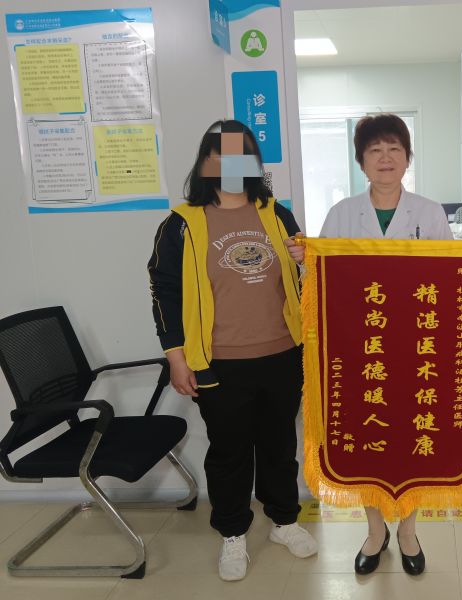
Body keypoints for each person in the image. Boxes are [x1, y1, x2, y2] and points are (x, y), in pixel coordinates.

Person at [148, 119, 317, 582]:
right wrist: (176, 357)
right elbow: (164, 292)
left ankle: (283, 521)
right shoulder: (181, 224)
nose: (230, 164)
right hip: (218, 360)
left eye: (241, 154)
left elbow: (305, 281)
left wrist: (308, 261)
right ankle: (232, 533)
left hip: (282, 353)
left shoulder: (276, 214)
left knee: (280, 445)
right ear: (205, 162)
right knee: (229, 451)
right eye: (219, 155)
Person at [286, 113, 452, 576]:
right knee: (370, 438)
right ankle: (375, 531)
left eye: (394, 148)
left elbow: (449, 274)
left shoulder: (430, 213)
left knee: (413, 438)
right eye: (375, 150)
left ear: (408, 158)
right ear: (361, 161)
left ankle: (409, 531)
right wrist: (305, 258)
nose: (385, 158)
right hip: (362, 348)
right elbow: (323, 281)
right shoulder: (342, 214)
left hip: (416, 347)